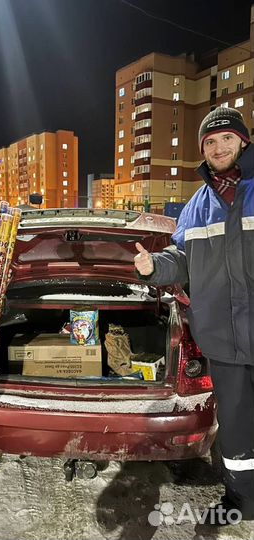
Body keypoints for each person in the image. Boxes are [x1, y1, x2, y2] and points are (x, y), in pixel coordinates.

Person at [134, 106, 254, 526]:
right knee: (237, 432)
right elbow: (180, 259)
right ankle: (242, 498)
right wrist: (153, 268)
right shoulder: (197, 206)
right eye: (210, 141)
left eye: (226, 138)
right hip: (222, 340)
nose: (219, 146)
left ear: (243, 141)